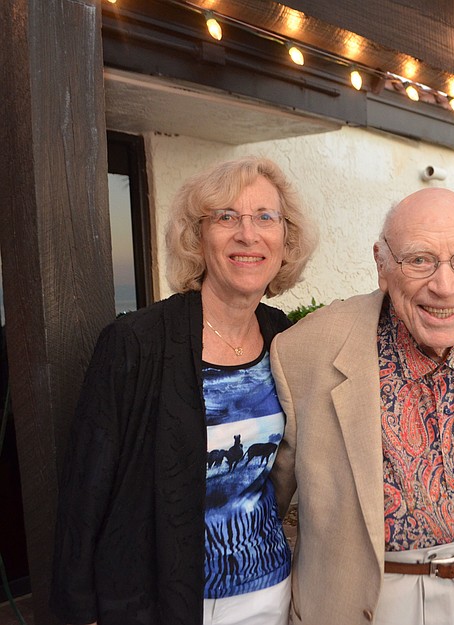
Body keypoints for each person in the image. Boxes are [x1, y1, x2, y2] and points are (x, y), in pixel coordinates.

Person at [269, 188, 454, 625]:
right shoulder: (306, 350)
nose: (444, 286)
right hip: (370, 601)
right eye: (419, 260)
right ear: (382, 265)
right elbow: (264, 501)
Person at [50, 156, 317, 625]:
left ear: (285, 239)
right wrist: (80, 610)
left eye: (265, 217)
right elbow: (85, 492)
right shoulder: (136, 342)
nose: (248, 234)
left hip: (267, 592)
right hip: (157, 598)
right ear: (197, 236)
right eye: (226, 217)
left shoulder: (285, 337)